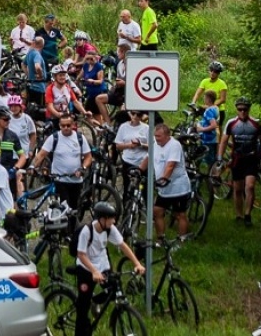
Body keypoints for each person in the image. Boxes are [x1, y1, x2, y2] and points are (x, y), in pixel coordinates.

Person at [73, 202, 143, 336]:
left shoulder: (109, 228)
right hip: (85, 268)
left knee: (113, 288)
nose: (114, 221)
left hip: (102, 266)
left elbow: (123, 245)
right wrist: (93, 271)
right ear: (102, 219)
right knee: (82, 309)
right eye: (111, 218)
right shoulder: (87, 231)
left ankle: (95, 301)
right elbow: (81, 254)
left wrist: (136, 263)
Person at [221, 97, 261, 224]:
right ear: (236, 109)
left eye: (245, 109)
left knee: (250, 186)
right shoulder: (231, 123)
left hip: (251, 158)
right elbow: (224, 140)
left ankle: (247, 214)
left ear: (249, 109)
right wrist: (219, 157)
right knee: (237, 189)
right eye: (239, 109)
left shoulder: (256, 123)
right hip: (237, 159)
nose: (242, 112)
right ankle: (239, 215)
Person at [31, 114, 92, 210]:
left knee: (74, 209)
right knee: (64, 208)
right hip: (60, 180)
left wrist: (83, 168)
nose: (66, 128)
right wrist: (32, 167)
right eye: (63, 126)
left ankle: (73, 224)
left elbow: (88, 157)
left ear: (73, 125)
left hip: (76, 181)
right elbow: (41, 155)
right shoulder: (54, 138)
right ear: (59, 126)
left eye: (68, 125)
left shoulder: (80, 138)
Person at [143, 121, 192, 239]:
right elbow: (148, 158)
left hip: (178, 187)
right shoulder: (155, 144)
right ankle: (161, 239)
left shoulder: (174, 145)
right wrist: (138, 170)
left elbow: (171, 166)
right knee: (157, 212)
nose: (156, 138)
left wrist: (163, 179)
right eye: (155, 136)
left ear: (167, 135)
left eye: (159, 136)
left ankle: (181, 240)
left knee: (180, 215)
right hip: (164, 189)